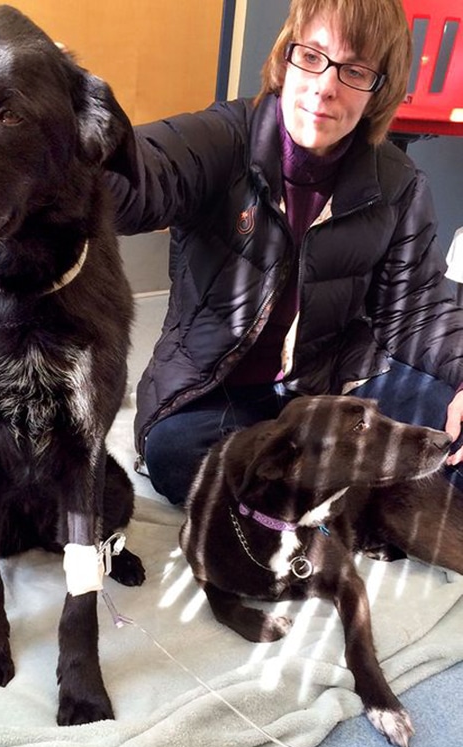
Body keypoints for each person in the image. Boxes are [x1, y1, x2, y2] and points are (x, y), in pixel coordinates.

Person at [108, 0, 463, 505]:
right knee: (180, 456)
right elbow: (139, 178)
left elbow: (419, 309)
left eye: (355, 70)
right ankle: (352, 501)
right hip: (216, 395)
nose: (325, 86)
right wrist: (73, 133)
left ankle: (326, 498)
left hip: (329, 393)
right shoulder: (225, 137)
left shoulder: (399, 185)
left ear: (379, 90)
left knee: (452, 425)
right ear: (286, 54)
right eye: (312, 55)